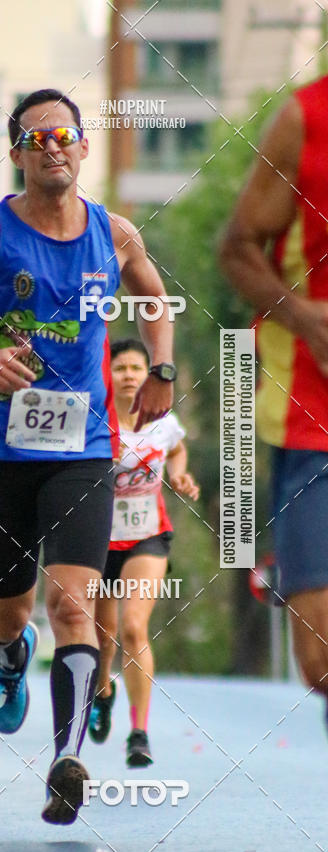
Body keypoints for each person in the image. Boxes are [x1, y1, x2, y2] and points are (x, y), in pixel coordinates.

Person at [0, 88, 176, 824]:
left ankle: (67, 760)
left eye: (65, 134)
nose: (52, 146)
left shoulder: (115, 234)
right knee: (9, 608)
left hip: (83, 450)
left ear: (85, 147)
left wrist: (162, 369)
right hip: (1, 449)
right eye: (36, 137)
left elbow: (155, 299)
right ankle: (5, 656)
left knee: (72, 604)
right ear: (19, 153)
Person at [220, 76, 328, 726]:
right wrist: (307, 320)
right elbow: (236, 248)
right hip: (313, 421)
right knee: (317, 657)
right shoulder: (304, 119)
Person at [87, 339, 199, 765]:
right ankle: (103, 689)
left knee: (134, 628)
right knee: (105, 640)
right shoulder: (96, 420)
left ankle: (139, 731)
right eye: (121, 368)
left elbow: (177, 449)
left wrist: (180, 476)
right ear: (108, 376)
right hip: (98, 539)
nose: (131, 374)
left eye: (137, 367)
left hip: (148, 537)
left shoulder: (162, 420)